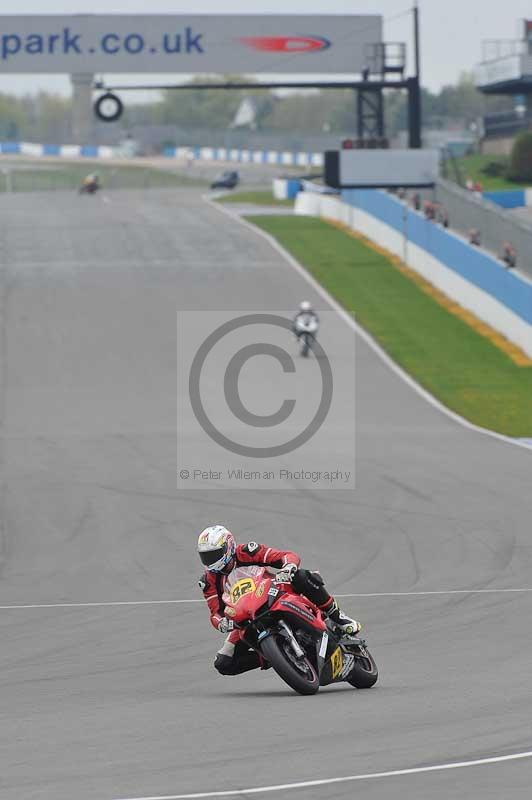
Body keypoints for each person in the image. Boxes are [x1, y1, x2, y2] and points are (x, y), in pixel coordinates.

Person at [198, 524, 361, 676]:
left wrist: (289, 566)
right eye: (205, 557)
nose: (210, 561)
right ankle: (276, 655)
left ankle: (338, 616)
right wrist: (221, 623)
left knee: (301, 576)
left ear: (229, 546)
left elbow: (286, 556)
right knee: (223, 662)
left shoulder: (246, 552)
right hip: (246, 615)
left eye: (213, 555)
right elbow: (215, 612)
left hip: (273, 591)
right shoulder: (209, 580)